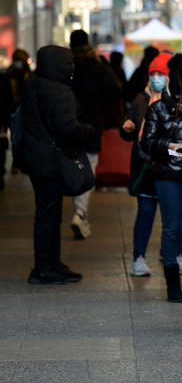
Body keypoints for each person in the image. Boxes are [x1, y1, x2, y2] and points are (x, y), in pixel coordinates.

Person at [17, 46, 96, 284]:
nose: (71, 67)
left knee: (48, 213)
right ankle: (43, 268)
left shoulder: (32, 85)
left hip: (36, 159)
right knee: (48, 215)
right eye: (68, 63)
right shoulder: (59, 91)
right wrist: (87, 131)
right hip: (52, 161)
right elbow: (67, 127)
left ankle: (51, 263)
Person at [139, 52, 182, 303]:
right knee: (171, 228)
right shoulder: (157, 108)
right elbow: (146, 143)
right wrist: (170, 146)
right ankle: (173, 285)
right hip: (167, 174)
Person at [69, 30, 123, 240]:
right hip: (92, 126)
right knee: (88, 167)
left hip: (69, 126)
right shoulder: (98, 69)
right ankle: (80, 212)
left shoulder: (67, 68)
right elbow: (115, 92)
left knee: (73, 167)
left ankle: (80, 212)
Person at [120, 51, 168, 277]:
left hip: (169, 168)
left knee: (171, 216)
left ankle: (170, 253)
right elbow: (128, 131)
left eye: (162, 74)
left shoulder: (174, 101)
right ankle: (138, 258)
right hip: (145, 167)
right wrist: (127, 127)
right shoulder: (141, 100)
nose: (157, 78)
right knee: (146, 213)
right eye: (154, 73)